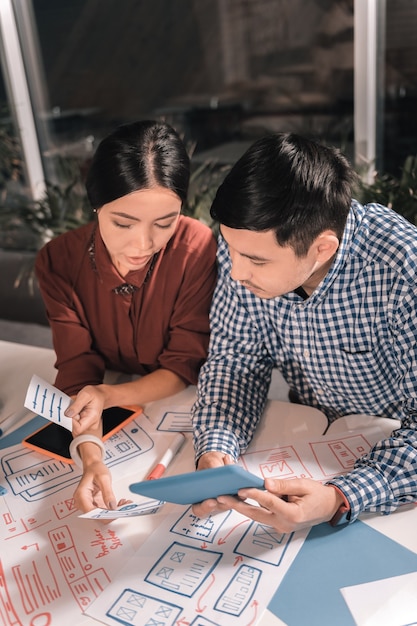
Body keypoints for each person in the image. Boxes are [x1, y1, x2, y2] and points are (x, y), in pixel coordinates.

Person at [191, 132, 417, 532]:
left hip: (393, 450)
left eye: (256, 261)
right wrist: (216, 450)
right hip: (307, 433)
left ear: (322, 249)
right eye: (231, 250)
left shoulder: (402, 269)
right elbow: (235, 361)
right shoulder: (246, 243)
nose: (237, 273)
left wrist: (340, 496)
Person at [35, 120, 217, 512]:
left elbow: (183, 362)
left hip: (177, 402)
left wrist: (107, 394)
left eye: (165, 223)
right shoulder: (58, 261)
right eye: (122, 223)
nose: (143, 244)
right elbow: (77, 372)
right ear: (96, 205)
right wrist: (91, 455)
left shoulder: (196, 248)